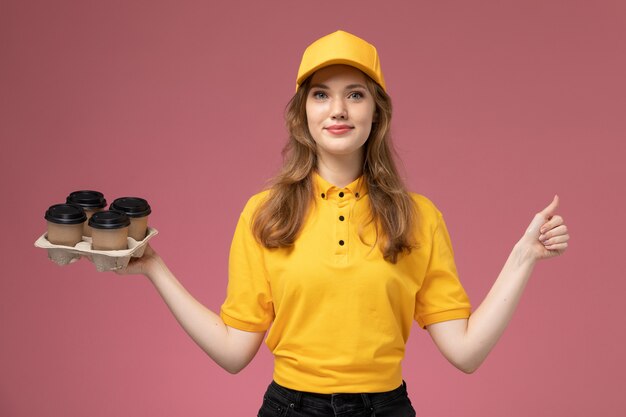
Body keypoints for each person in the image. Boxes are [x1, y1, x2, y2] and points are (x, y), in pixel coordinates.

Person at [117, 30, 570, 417]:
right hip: (289, 408)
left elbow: (466, 353)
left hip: (386, 407)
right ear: (303, 114)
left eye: (355, 94)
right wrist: (155, 267)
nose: (338, 109)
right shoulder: (265, 213)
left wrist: (523, 257)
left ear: (377, 113)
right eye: (321, 94)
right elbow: (234, 352)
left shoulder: (419, 217)